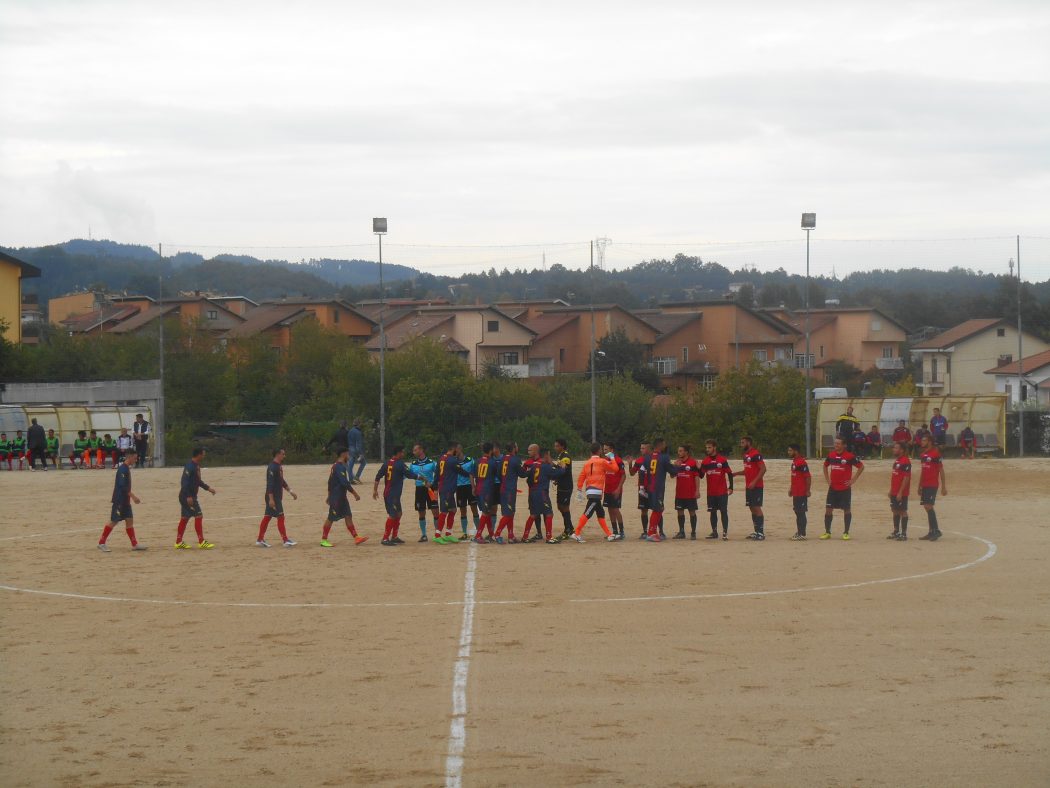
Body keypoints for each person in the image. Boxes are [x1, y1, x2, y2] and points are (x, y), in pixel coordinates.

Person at [97, 449, 146, 552]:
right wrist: (133, 496)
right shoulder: (123, 469)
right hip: (119, 500)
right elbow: (122, 486)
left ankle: (134, 544)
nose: (135, 460)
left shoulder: (126, 468)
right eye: (135, 458)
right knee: (114, 521)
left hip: (125, 501)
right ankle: (101, 543)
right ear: (129, 457)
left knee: (129, 521)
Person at [373, 445, 421, 546]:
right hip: (392, 495)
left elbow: (377, 477)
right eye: (402, 452)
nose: (403, 454)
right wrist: (422, 478)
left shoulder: (386, 463)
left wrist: (375, 490)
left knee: (398, 513)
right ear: (399, 453)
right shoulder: (400, 464)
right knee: (393, 515)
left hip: (389, 493)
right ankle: (385, 538)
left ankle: (394, 536)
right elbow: (410, 475)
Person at [571, 442, 616, 542]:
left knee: (600, 512)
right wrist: (612, 458)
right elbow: (615, 469)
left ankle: (609, 534)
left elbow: (582, 476)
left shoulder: (587, 463)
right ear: (599, 451)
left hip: (590, 490)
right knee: (588, 512)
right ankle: (576, 533)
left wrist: (579, 489)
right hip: (596, 492)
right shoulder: (602, 461)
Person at [322, 447, 366, 547]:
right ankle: (323, 540)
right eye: (348, 454)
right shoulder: (339, 467)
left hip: (341, 497)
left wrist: (329, 495)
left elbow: (330, 482)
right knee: (331, 518)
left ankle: (356, 537)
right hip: (337, 498)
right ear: (343, 454)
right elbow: (344, 483)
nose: (349, 456)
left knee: (348, 516)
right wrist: (355, 493)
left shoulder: (336, 466)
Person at [821, 437, 864, 540]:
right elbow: (825, 465)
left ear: (844, 445)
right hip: (833, 488)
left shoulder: (849, 456)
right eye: (835, 443)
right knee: (828, 510)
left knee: (847, 510)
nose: (836, 445)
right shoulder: (831, 455)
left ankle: (846, 532)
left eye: (838, 444)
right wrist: (828, 480)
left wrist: (853, 480)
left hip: (844, 488)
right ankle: (827, 532)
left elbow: (861, 466)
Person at [521, 445, 565, 543]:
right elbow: (558, 473)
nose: (550, 458)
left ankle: (525, 537)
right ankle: (549, 537)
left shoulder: (533, 465)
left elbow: (528, 480)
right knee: (549, 514)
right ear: (545, 456)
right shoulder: (545, 466)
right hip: (542, 493)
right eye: (549, 456)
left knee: (533, 514)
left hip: (532, 492)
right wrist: (563, 467)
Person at [175, 447, 218, 549]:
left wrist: (208, 488)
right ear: (198, 455)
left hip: (187, 496)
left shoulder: (196, 465)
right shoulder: (190, 466)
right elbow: (184, 482)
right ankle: (201, 541)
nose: (204, 456)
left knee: (185, 518)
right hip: (187, 496)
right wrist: (189, 496)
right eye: (203, 454)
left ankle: (178, 542)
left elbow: (198, 481)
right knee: (199, 516)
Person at [257, 448, 299, 547]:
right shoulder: (272, 467)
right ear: (277, 454)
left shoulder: (278, 466)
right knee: (281, 517)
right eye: (283, 454)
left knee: (267, 517)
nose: (285, 456)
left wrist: (290, 491)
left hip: (275, 496)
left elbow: (282, 481)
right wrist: (271, 499)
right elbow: (270, 484)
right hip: (273, 497)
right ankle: (285, 540)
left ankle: (260, 539)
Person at [643, 438, 680, 542]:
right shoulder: (664, 457)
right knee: (658, 509)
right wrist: (677, 467)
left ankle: (653, 532)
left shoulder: (647, 458)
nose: (665, 446)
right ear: (660, 445)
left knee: (658, 508)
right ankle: (651, 533)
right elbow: (671, 470)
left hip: (650, 487)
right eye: (664, 444)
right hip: (658, 487)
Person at [494, 442, 529, 543]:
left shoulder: (503, 458)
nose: (518, 447)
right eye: (517, 446)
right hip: (509, 490)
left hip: (503, 488)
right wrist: (530, 470)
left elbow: (498, 473)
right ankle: (497, 534)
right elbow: (522, 474)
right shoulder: (515, 459)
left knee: (511, 512)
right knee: (508, 513)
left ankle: (511, 536)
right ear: (514, 448)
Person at [734, 436, 767, 540]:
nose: (741, 444)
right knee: (751, 507)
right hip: (749, 486)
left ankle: (761, 533)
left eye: (743, 442)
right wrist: (736, 474)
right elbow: (747, 471)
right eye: (741, 442)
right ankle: (756, 531)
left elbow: (763, 469)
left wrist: (754, 481)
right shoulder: (746, 455)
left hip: (756, 486)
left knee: (757, 507)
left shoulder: (756, 454)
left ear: (749, 443)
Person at [700, 439, 733, 540]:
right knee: (712, 512)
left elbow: (729, 473)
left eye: (709, 447)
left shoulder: (722, 460)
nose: (707, 449)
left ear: (714, 447)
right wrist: (699, 467)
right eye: (706, 447)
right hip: (711, 492)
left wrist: (731, 487)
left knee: (723, 511)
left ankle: (725, 532)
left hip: (722, 492)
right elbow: (701, 476)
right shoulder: (705, 461)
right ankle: (714, 532)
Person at [433, 442, 466, 543]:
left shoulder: (441, 458)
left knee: (453, 510)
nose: (458, 452)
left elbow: (437, 474)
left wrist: (435, 486)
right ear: (454, 449)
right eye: (457, 450)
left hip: (446, 489)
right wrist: (473, 474)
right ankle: (437, 535)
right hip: (447, 489)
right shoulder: (452, 460)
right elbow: (462, 471)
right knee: (444, 511)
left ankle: (448, 533)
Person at [917, 433, 947, 541]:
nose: (922, 442)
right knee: (926, 506)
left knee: (928, 506)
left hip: (932, 484)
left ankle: (936, 531)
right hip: (925, 484)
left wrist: (943, 486)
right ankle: (931, 531)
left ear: (929, 442)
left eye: (924, 440)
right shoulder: (923, 455)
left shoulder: (935, 454)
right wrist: (919, 485)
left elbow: (941, 470)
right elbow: (923, 471)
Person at [410, 443, 439, 542]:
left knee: (435, 512)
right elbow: (408, 475)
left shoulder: (432, 463)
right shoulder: (413, 464)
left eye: (415, 450)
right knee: (421, 513)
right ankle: (423, 535)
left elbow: (438, 475)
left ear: (421, 450)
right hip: (419, 490)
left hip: (430, 489)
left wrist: (435, 488)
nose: (413, 452)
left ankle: (437, 534)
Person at [672, 444, 702, 539]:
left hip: (690, 493)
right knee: (680, 512)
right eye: (678, 451)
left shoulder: (693, 463)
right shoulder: (677, 462)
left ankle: (693, 532)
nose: (679, 452)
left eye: (681, 451)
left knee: (692, 512)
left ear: (686, 452)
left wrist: (697, 490)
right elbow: (672, 476)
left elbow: (697, 477)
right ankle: (681, 532)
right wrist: (675, 467)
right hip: (680, 492)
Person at [474, 443, 501, 543]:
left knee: (487, 512)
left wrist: (473, 487)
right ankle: (478, 535)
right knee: (486, 512)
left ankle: (491, 534)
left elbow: (473, 475)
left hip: (479, 489)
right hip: (487, 490)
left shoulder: (477, 461)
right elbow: (499, 475)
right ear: (491, 451)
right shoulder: (492, 462)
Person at [601, 441, 627, 539]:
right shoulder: (605, 461)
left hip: (615, 490)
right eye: (603, 449)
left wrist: (618, 489)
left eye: (606, 449)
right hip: (607, 490)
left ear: (612, 450)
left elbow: (624, 476)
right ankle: (614, 531)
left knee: (616, 510)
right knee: (610, 510)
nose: (604, 451)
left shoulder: (618, 460)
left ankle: (621, 532)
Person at [887, 440, 911, 541]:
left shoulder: (906, 461)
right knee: (895, 510)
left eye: (896, 448)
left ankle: (904, 533)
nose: (894, 449)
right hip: (894, 491)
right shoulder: (896, 461)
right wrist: (891, 490)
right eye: (894, 447)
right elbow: (894, 477)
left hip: (901, 492)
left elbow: (906, 478)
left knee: (902, 511)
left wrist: (900, 492)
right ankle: (896, 531)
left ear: (902, 450)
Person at [786, 443, 811, 540]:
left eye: (790, 450)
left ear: (795, 451)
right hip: (796, 492)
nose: (788, 452)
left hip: (801, 492)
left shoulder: (802, 462)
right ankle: (799, 531)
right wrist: (791, 488)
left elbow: (808, 477)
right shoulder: (795, 462)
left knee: (801, 512)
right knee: (797, 512)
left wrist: (808, 490)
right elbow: (794, 477)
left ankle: (802, 533)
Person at [629, 442, 652, 539]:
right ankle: (645, 531)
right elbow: (632, 473)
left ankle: (660, 531)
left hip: (653, 488)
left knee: (656, 509)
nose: (641, 450)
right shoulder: (639, 461)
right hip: (642, 489)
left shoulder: (654, 459)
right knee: (644, 510)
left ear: (648, 449)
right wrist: (630, 464)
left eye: (643, 448)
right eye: (641, 448)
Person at [455, 451, 481, 541]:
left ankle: (479, 532)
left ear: (460, 450)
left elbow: (475, 472)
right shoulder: (454, 462)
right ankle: (464, 533)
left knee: (474, 509)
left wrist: (475, 485)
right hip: (459, 487)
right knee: (462, 510)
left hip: (469, 486)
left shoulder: (470, 460)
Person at [552, 438, 574, 540]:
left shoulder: (566, 457)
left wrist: (550, 463)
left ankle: (567, 530)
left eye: (557, 446)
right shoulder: (560, 455)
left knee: (564, 507)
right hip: (561, 485)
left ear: (562, 446)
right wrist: (556, 479)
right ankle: (570, 528)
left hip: (566, 486)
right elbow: (559, 470)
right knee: (560, 507)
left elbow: (563, 468)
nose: (555, 447)